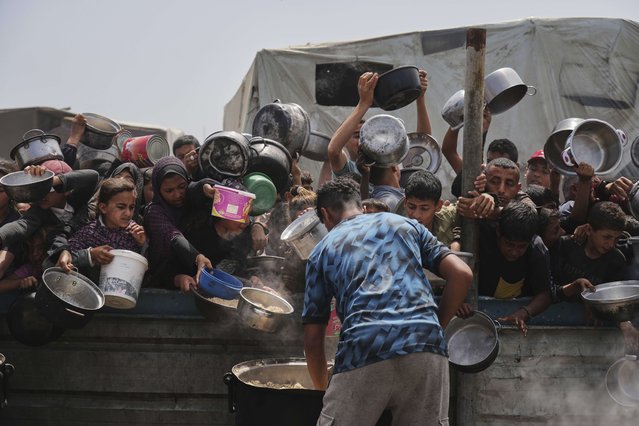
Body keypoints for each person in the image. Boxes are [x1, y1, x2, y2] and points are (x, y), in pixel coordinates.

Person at [303, 178, 472, 425]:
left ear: (325, 215)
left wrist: (321, 389)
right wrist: (436, 325)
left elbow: (312, 339)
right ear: (359, 206)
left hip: (364, 346)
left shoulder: (322, 249)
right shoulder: (406, 225)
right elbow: (462, 274)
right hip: (425, 343)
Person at [0, 160, 100, 269]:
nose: (42, 194)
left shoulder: (78, 200)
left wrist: (54, 180)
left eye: (49, 189)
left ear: (66, 190)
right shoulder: (38, 212)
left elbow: (93, 176)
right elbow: (21, 226)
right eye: (38, 189)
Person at [477, 201, 553, 336]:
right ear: (498, 231)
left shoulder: (537, 249)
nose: (514, 252)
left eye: (521, 247)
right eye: (509, 244)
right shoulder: (481, 236)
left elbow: (545, 294)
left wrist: (524, 313)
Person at [143, 157, 214, 291]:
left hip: (201, 275)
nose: (177, 195)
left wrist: (205, 186)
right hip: (165, 278)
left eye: (182, 187)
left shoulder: (193, 201)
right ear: (158, 190)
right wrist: (197, 257)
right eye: (169, 191)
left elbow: (200, 187)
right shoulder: (154, 212)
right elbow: (173, 236)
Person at [57, 178, 146, 280]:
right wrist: (91, 255)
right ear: (103, 208)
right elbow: (66, 259)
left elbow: (144, 266)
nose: (128, 213)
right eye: (121, 207)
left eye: (131, 207)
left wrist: (143, 245)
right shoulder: (89, 233)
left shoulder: (135, 232)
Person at [550, 201, 627, 302]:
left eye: (616, 238)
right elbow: (546, 292)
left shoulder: (616, 261)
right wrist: (572, 287)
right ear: (589, 230)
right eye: (606, 237)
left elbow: (613, 300)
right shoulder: (564, 246)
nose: (611, 244)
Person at [398, 170, 461, 250]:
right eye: (411, 207)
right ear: (405, 203)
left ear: (438, 205)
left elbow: (469, 208)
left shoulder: (447, 216)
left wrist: (457, 241)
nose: (416, 215)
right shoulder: (396, 226)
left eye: (424, 208)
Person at [0, 228, 46, 294]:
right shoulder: (31, 268)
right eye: (31, 250)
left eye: (40, 248)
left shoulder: (58, 262)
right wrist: (20, 282)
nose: (35, 253)